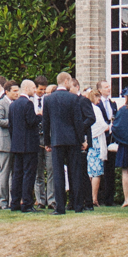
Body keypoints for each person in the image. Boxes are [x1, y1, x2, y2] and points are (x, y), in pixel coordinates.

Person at [44, 72, 91, 214]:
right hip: (72, 140)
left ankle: (60, 207)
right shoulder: (73, 98)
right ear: (66, 81)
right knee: (75, 173)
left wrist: (47, 142)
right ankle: (77, 205)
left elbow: (46, 123)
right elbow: (77, 121)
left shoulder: (48, 99)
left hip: (57, 140)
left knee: (58, 173)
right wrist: (82, 139)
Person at [7, 81, 41, 211]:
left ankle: (15, 202)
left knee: (17, 174)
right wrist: (40, 116)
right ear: (26, 88)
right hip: (29, 145)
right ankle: (27, 203)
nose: (35, 90)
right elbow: (31, 121)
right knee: (28, 174)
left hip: (17, 144)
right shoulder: (28, 103)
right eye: (33, 87)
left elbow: (11, 126)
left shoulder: (13, 104)